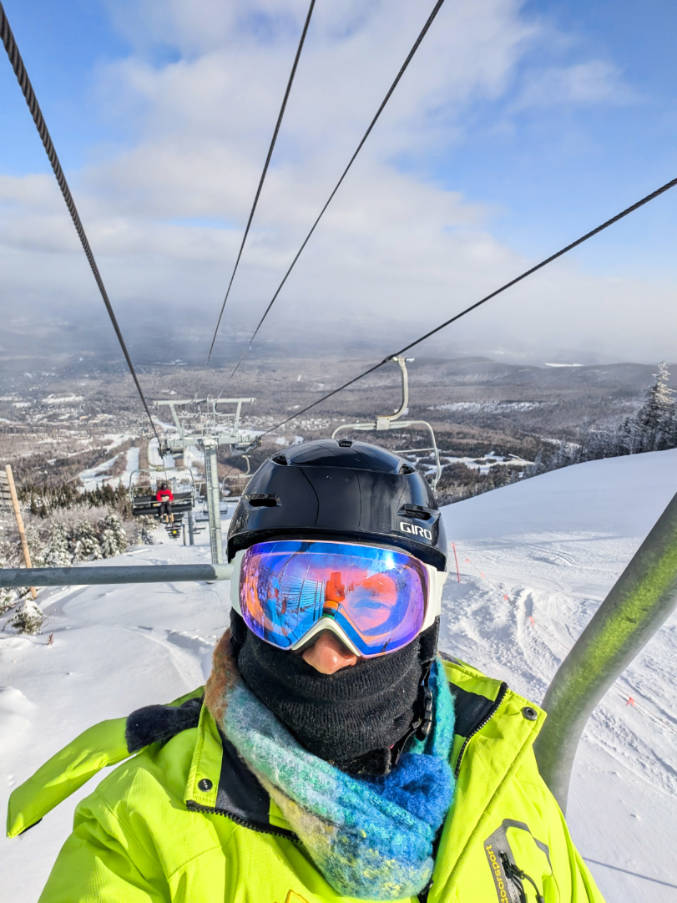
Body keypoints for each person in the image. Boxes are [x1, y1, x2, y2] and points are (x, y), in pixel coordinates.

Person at [7, 439, 604, 902]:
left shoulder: (497, 770)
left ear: (426, 617)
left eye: (375, 605)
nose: (328, 648)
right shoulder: (141, 824)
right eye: (289, 599)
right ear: (245, 609)